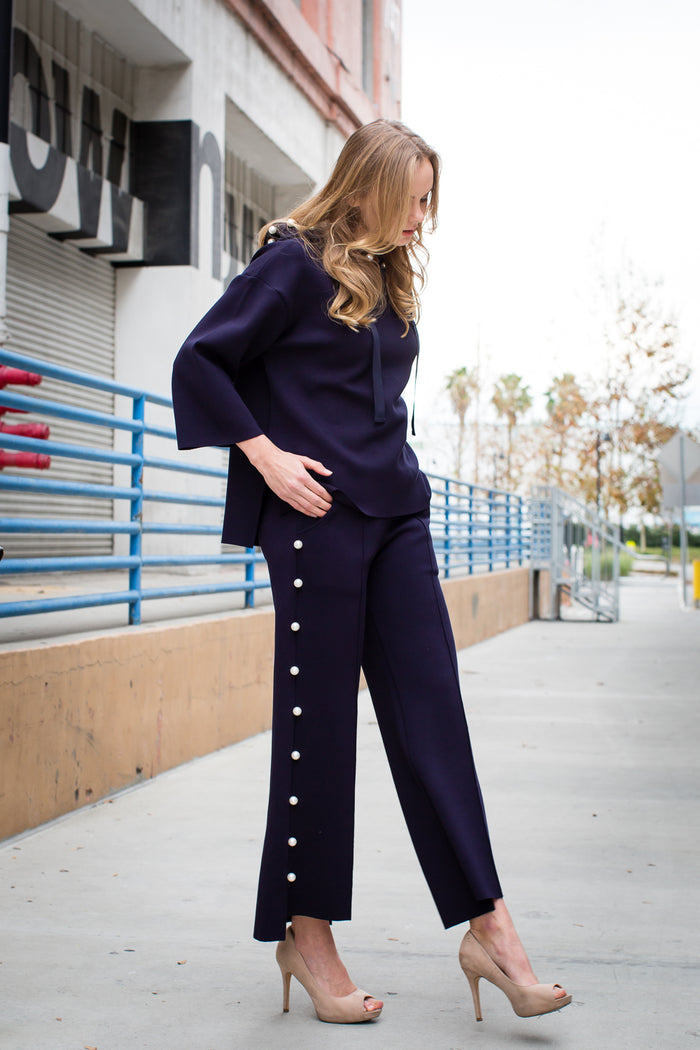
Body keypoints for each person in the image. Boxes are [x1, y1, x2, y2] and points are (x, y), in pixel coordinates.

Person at [172, 119, 571, 1026]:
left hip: (397, 516)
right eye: (411, 200)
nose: (421, 219)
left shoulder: (387, 274)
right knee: (316, 732)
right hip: (314, 520)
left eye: (429, 201)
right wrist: (266, 457)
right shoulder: (292, 262)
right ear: (367, 188)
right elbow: (201, 359)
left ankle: (491, 929)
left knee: (434, 716)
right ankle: (306, 936)